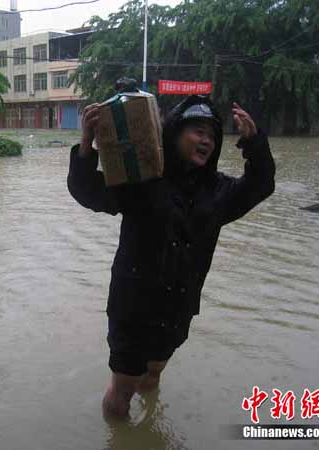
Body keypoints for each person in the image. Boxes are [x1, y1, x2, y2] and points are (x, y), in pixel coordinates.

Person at [67, 95, 275, 418]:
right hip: (132, 309)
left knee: (152, 377)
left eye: (212, 134)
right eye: (197, 131)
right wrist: (85, 145)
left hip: (177, 310)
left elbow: (261, 184)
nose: (206, 139)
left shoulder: (220, 193)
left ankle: (150, 423)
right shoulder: (142, 181)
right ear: (174, 133)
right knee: (122, 389)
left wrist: (255, 143)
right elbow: (87, 191)